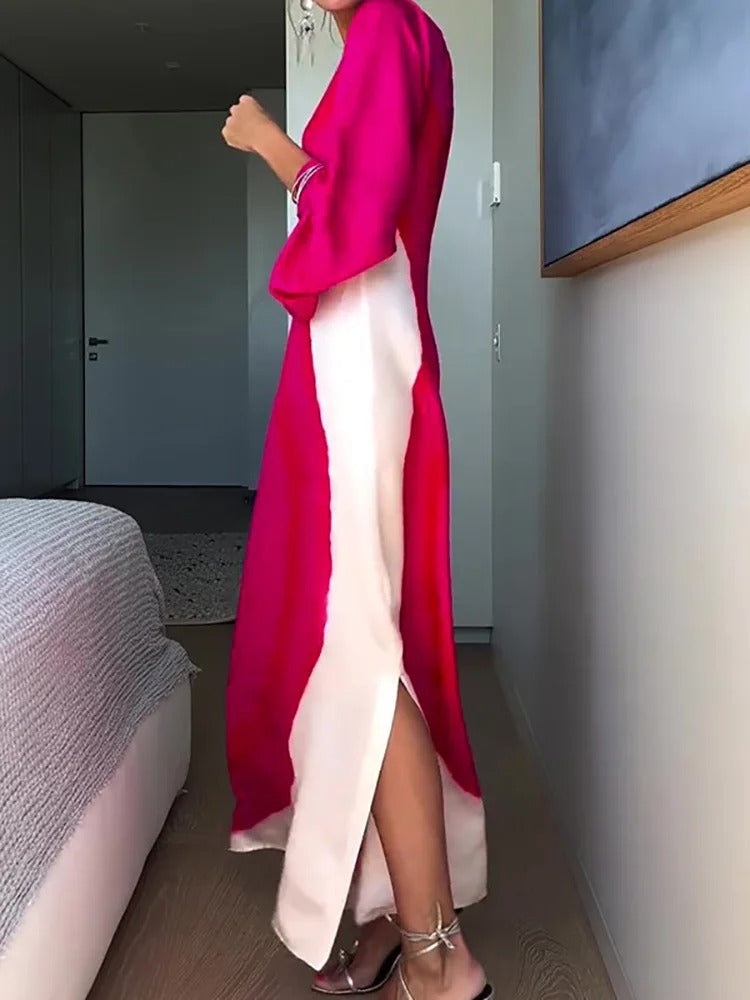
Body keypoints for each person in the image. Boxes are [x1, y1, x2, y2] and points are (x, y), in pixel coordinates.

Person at [222, 1, 491, 998]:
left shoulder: (387, 27)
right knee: (370, 634)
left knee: (356, 646)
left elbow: (358, 218)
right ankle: (388, 915)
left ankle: (438, 955)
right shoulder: (401, 38)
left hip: (359, 357)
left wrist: (269, 143)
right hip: (364, 350)